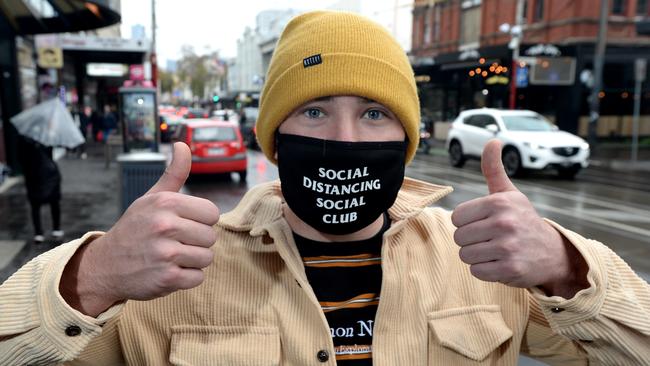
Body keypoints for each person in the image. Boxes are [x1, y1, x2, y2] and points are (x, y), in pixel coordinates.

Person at [1, 11, 649, 365]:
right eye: (314, 111)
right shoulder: (165, 275)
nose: (345, 138)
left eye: (374, 113)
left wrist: (567, 268)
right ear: (274, 137)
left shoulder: (483, 265)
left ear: (408, 135)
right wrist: (88, 277)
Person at [15, 136, 63, 243]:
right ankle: (54, 229)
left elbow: (20, 158)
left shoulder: (25, 138)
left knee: (38, 204)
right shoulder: (45, 136)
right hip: (45, 174)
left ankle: (40, 232)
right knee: (50, 203)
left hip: (39, 175)